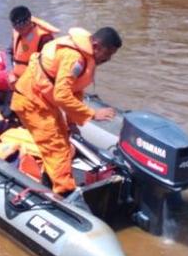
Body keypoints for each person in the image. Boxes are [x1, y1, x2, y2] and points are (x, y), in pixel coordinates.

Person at [11, 27, 122, 196]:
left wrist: (71, 121)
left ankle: (49, 181)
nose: (108, 59)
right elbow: (62, 95)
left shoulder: (84, 56)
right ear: (97, 45)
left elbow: (74, 91)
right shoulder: (74, 58)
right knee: (58, 149)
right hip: (32, 102)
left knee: (63, 138)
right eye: (108, 53)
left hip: (43, 102)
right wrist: (92, 113)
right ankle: (65, 193)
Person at [0, 6, 58, 107]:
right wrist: (10, 72)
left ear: (29, 22)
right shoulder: (18, 32)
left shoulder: (44, 38)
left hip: (27, 80)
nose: (20, 31)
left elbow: (49, 69)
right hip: (16, 73)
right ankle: (0, 91)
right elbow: (9, 51)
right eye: (17, 28)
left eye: (22, 28)